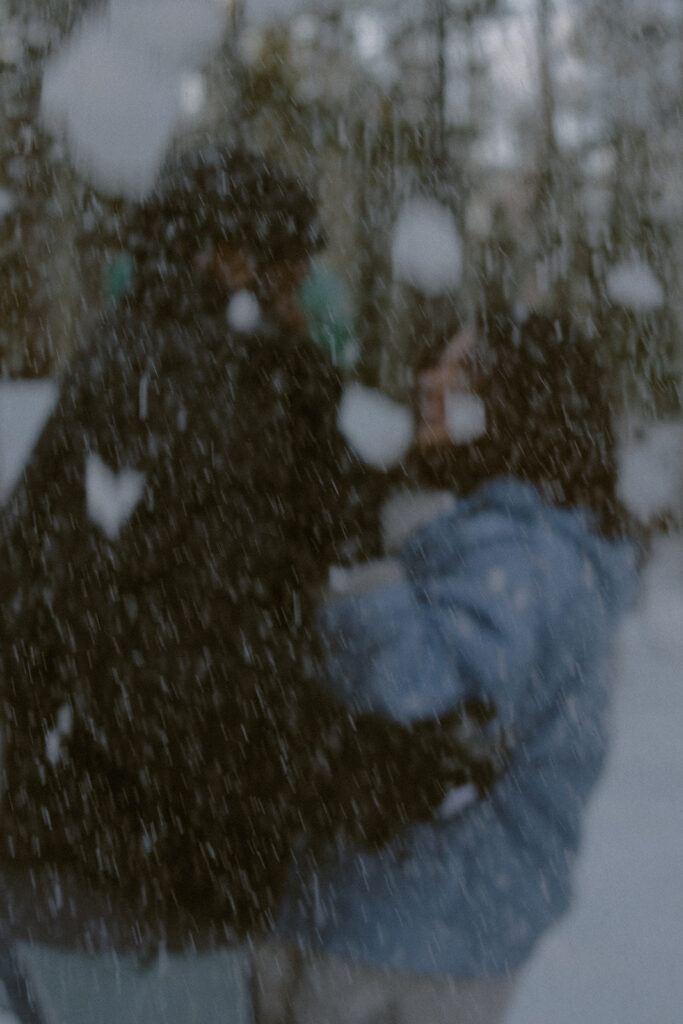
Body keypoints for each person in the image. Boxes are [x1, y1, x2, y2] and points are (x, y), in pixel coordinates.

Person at [0, 145, 500, 960]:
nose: (308, 302)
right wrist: (389, 770)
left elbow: (230, 556)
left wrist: (416, 478)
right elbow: (200, 693)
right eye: (296, 275)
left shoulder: (135, 365)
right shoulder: (223, 399)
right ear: (231, 263)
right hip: (136, 891)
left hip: (62, 854)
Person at [251, 308, 641, 1024]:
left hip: (409, 941)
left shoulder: (522, 555)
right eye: (435, 363)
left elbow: (424, 699)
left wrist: (357, 578)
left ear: (522, 401)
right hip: (411, 924)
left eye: (462, 371)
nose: (432, 381)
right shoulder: (496, 531)